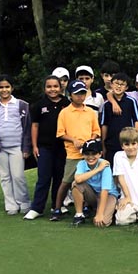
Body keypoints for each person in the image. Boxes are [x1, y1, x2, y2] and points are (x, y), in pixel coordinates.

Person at [52, 80, 101, 221]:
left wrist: (89, 142)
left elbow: (96, 131)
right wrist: (74, 140)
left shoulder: (90, 112)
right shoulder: (64, 113)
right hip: (73, 154)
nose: (80, 96)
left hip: (89, 154)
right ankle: (57, 208)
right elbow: (60, 133)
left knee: (88, 181)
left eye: (83, 93)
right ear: (70, 95)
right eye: (77, 94)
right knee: (66, 181)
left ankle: (85, 207)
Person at [24, 76, 70, 220]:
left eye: (55, 86)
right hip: (44, 147)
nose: (52, 89)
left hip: (62, 147)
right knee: (43, 178)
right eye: (49, 87)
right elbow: (35, 126)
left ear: (60, 87)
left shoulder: (67, 103)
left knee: (59, 177)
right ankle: (37, 208)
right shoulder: (39, 105)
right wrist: (35, 146)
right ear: (44, 88)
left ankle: (57, 205)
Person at [0, 74, 32, 215]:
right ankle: (11, 205)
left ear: (12, 88)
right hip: (0, 148)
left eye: (7, 87)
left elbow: (28, 128)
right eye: (1, 87)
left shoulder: (22, 105)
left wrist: (26, 147)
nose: (4, 90)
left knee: (18, 176)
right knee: (5, 177)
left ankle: (23, 202)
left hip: (17, 146)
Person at [70, 139, 119, 227]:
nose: (90, 157)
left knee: (103, 223)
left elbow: (105, 191)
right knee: (76, 184)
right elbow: (78, 179)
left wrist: (100, 214)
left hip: (108, 195)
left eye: (94, 154)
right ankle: (79, 215)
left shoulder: (105, 165)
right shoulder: (82, 163)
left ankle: (109, 210)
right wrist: (98, 169)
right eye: (87, 154)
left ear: (100, 154)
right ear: (83, 154)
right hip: (93, 195)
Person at [113, 127, 138, 225]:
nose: (130, 147)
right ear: (122, 146)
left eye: (133, 144)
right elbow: (120, 178)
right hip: (128, 197)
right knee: (121, 221)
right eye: (127, 144)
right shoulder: (118, 156)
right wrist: (127, 197)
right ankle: (133, 213)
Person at [100, 72, 138, 166]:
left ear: (126, 88)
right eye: (116, 83)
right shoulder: (106, 105)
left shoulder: (131, 101)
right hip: (111, 144)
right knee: (111, 170)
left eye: (122, 84)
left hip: (128, 143)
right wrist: (103, 144)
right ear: (111, 84)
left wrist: (136, 139)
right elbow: (104, 124)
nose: (119, 86)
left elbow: (136, 120)